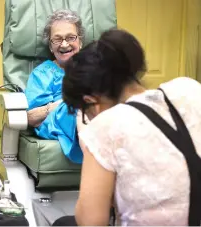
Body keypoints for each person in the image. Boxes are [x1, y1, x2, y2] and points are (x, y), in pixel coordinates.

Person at [60, 29, 201, 226]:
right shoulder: (188, 89)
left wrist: (91, 144)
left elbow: (90, 222)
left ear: (92, 101)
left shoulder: (105, 127)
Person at [24, 9, 85, 164]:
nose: (64, 44)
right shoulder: (42, 74)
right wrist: (64, 103)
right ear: (51, 47)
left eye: (71, 37)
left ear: (80, 42)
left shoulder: (94, 67)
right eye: (57, 39)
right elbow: (31, 118)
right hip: (58, 120)